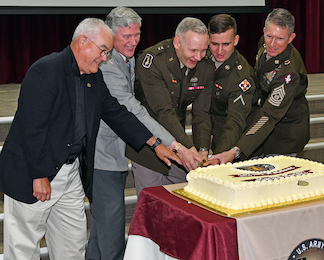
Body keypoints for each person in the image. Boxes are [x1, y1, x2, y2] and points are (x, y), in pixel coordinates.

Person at [0, 18, 179, 260]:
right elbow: (30, 127)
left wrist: (154, 142)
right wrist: (39, 175)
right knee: (23, 247)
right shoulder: (46, 70)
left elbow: (116, 112)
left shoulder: (93, 77)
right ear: (83, 42)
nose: (105, 58)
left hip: (69, 173)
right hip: (34, 172)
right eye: (103, 50)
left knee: (72, 239)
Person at [86, 7, 201, 260]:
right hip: (103, 148)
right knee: (112, 213)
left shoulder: (127, 59)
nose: (133, 41)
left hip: (119, 143)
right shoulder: (108, 65)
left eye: (137, 34)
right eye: (126, 35)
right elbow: (133, 109)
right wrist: (172, 143)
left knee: (104, 209)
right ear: (110, 34)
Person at [126, 17, 214, 196]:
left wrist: (203, 150)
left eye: (204, 50)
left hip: (178, 142)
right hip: (148, 146)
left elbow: (202, 112)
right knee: (152, 207)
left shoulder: (205, 66)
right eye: (193, 50)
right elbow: (164, 112)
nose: (198, 57)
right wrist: (189, 149)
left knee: (181, 204)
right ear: (177, 43)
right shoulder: (152, 61)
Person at [208, 8, 309, 164]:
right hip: (263, 127)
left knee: (275, 183)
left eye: (280, 39)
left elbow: (269, 115)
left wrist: (236, 150)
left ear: (291, 38)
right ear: (264, 31)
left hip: (285, 135)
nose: (272, 44)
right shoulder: (264, 43)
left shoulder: (289, 73)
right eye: (269, 36)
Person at [207, 14, 256, 154]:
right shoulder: (203, 58)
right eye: (214, 44)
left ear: (236, 40)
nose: (220, 51)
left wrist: (220, 156)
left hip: (237, 140)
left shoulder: (241, 77)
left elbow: (235, 121)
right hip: (215, 130)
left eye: (226, 44)